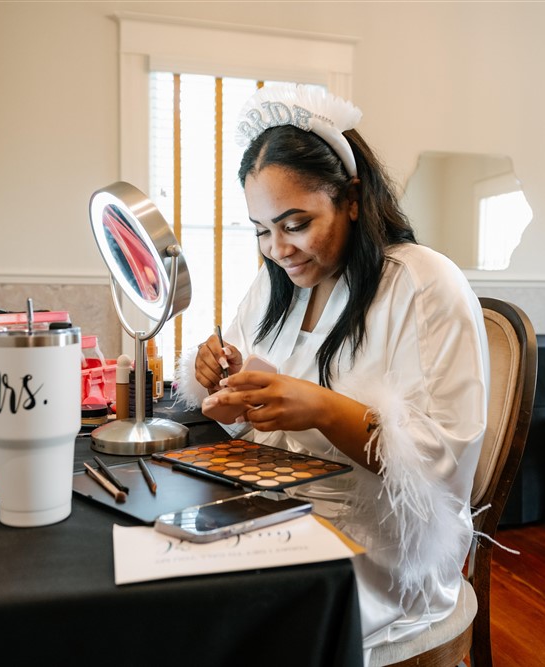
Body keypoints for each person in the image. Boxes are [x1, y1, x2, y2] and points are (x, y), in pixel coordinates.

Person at [174, 84, 489, 660]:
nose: (277, 249)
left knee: (220, 622)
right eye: (261, 229)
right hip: (282, 506)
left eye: (295, 223)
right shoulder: (277, 288)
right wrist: (225, 386)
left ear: (350, 197)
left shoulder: (422, 285)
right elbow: (257, 430)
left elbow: (441, 466)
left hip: (381, 548)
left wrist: (319, 405)